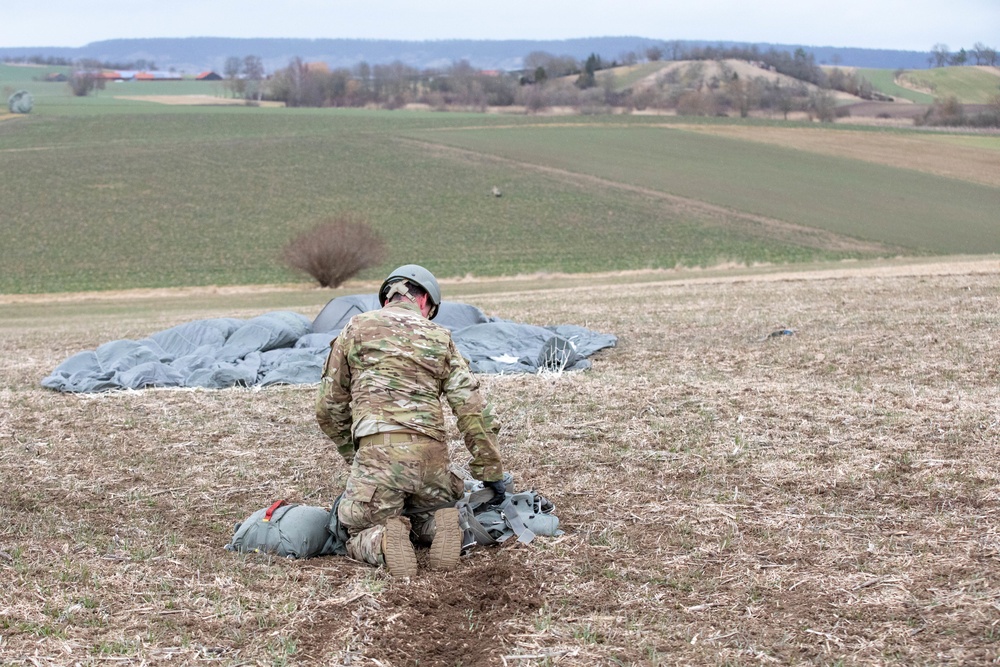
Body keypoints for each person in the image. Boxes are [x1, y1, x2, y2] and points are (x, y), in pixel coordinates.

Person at [316, 264, 506, 577]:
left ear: (387, 297)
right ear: (426, 302)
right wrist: (490, 470)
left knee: (357, 528)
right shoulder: (439, 336)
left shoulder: (355, 328)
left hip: (378, 454)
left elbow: (328, 408)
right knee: (427, 512)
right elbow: (472, 410)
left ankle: (383, 542)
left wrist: (355, 453)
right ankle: (439, 525)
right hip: (430, 463)